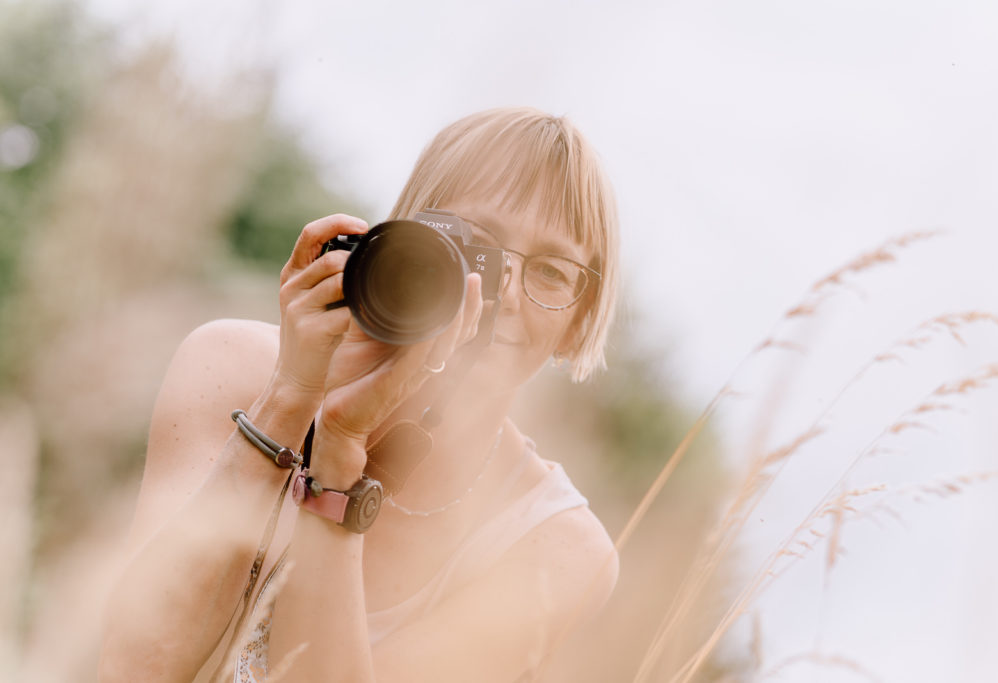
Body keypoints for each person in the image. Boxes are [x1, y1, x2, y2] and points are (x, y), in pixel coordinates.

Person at [98, 106, 621, 682]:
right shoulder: (232, 370)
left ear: (578, 320)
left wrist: (341, 453)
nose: (509, 293)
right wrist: (291, 398)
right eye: (479, 249)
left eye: (551, 271)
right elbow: (131, 668)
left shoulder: (559, 547)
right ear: (406, 242)